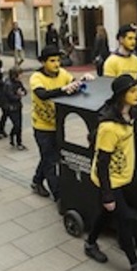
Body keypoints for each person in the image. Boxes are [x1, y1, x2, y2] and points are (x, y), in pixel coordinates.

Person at [84, 74, 137, 271]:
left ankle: (90, 242)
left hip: (122, 177)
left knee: (105, 215)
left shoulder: (130, 114)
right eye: (132, 91)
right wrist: (107, 194)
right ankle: (135, 264)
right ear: (121, 95)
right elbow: (102, 163)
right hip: (109, 181)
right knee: (124, 219)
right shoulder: (109, 128)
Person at [29, 45, 93, 200]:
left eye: (58, 60)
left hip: (57, 125)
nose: (56, 64)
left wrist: (83, 81)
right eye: (52, 61)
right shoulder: (36, 78)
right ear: (43, 62)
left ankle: (37, 181)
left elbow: (74, 86)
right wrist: (63, 89)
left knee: (50, 156)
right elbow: (43, 95)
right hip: (42, 127)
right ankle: (59, 195)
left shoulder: (63, 73)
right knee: (50, 161)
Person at [3, 66, 27, 150]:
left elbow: (25, 91)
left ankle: (18, 142)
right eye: (20, 74)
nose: (22, 76)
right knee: (17, 125)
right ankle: (14, 138)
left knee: (19, 125)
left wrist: (22, 93)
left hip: (18, 106)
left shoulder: (18, 83)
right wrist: (19, 95)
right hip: (11, 107)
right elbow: (10, 97)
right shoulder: (8, 84)